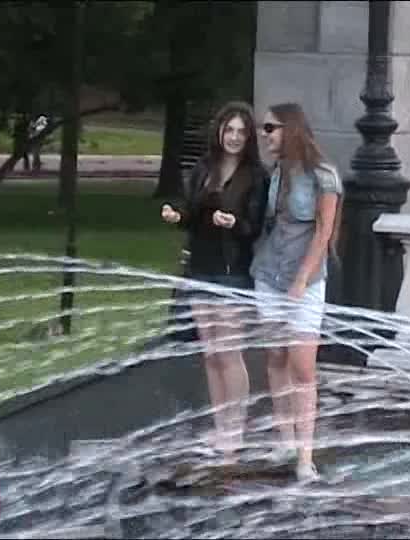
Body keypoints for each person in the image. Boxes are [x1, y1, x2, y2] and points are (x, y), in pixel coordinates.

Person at [161, 101, 269, 461]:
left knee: (229, 352)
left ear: (249, 137)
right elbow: (192, 212)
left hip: (232, 271)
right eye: (229, 130)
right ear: (220, 132)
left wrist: (235, 224)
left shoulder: (256, 176)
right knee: (210, 353)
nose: (234, 137)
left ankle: (236, 430)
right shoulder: (204, 168)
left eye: (241, 132)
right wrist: (177, 215)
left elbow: (256, 227)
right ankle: (221, 426)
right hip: (200, 268)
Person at [250, 102, 343, 481]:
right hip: (268, 276)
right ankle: (284, 439)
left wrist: (302, 279)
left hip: (305, 283)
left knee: (303, 367)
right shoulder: (277, 172)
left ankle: (305, 457)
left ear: (290, 129)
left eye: (270, 128)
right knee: (275, 357)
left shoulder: (324, 175)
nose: (265, 135)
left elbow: (323, 233)